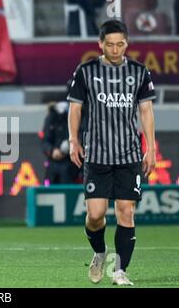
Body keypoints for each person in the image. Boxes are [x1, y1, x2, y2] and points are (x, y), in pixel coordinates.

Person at [67, 19, 156, 285]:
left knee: (126, 212)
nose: (115, 50)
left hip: (128, 155)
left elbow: (146, 111)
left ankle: (119, 270)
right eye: (110, 45)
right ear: (100, 44)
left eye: (120, 44)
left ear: (126, 43)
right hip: (96, 154)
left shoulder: (140, 72)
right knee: (95, 215)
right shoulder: (86, 71)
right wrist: (73, 140)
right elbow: (75, 109)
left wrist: (150, 148)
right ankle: (99, 251)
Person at [41, 101, 80, 184]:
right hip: (52, 169)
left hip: (71, 167)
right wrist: (52, 151)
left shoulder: (77, 115)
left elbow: (81, 138)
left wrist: (69, 146)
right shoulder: (51, 118)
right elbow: (45, 142)